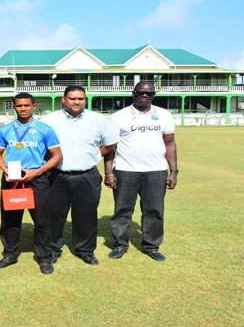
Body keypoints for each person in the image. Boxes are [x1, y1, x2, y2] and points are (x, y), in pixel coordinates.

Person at [42, 85, 119, 265]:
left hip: (87, 176)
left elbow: (110, 142)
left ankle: (85, 250)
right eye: (72, 98)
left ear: (85, 100)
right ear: (63, 99)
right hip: (56, 175)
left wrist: (96, 156)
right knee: (54, 214)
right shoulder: (49, 120)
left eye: (80, 99)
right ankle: (53, 249)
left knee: (86, 215)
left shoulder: (97, 119)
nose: (77, 102)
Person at [104, 81, 178, 261]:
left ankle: (152, 246)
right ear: (133, 93)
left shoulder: (164, 115)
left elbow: (169, 144)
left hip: (156, 171)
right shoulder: (119, 116)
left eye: (149, 93)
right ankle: (120, 245)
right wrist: (109, 172)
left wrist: (173, 170)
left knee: (154, 210)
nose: (145, 96)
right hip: (125, 170)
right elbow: (110, 147)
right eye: (141, 92)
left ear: (154, 95)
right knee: (122, 210)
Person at [0, 92, 62, 274]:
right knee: (10, 220)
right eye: (19, 105)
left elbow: (57, 156)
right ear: (14, 107)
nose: (23, 108)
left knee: (42, 220)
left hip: (37, 178)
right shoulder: (5, 130)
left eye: (26, 105)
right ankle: (10, 255)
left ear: (33, 106)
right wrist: (5, 169)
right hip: (11, 178)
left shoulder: (45, 129)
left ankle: (44, 257)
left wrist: (36, 172)